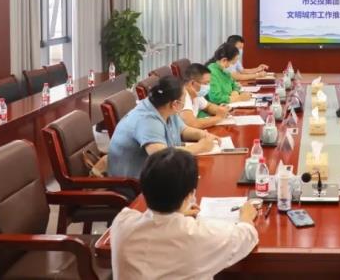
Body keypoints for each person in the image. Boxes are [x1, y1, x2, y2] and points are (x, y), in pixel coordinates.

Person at [112, 148, 258, 280]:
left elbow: (153, 222)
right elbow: (247, 236)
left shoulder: (121, 222)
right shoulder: (198, 235)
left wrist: (177, 212)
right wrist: (246, 217)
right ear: (190, 195)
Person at [107, 75, 217, 179]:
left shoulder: (164, 106)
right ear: (175, 104)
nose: (185, 101)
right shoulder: (147, 120)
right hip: (136, 183)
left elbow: (183, 130)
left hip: (159, 174)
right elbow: (161, 156)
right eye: (184, 98)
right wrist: (200, 147)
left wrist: (202, 135)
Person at [179, 63, 230, 129]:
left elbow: (208, 106)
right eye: (205, 83)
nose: (208, 86)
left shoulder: (195, 93)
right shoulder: (182, 96)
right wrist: (218, 118)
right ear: (192, 83)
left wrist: (220, 110)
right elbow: (193, 124)